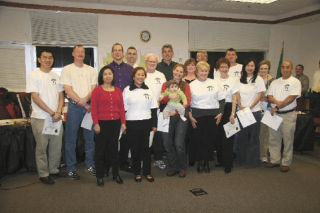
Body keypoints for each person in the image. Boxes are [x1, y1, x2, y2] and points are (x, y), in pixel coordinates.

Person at [26, 50, 64, 184]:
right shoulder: (33, 75)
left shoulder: (56, 76)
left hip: (56, 118)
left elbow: (61, 96)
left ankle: (53, 170)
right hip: (40, 117)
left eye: (50, 58)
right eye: (45, 58)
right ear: (39, 60)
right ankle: (43, 173)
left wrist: (58, 111)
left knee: (56, 145)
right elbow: (35, 97)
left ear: (53, 60)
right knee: (42, 147)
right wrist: (51, 112)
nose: (48, 60)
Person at [60, 45, 97, 179]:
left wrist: (86, 102)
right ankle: (71, 168)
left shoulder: (91, 70)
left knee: (89, 138)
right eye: (78, 52)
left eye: (82, 52)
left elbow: (94, 89)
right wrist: (82, 103)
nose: (80, 54)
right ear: (73, 53)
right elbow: (67, 90)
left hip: (88, 108)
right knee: (71, 139)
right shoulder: (67, 69)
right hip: (74, 108)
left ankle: (90, 164)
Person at [91, 66, 126, 186]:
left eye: (110, 74)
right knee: (100, 151)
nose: (107, 76)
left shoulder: (117, 90)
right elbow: (93, 108)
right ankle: (100, 175)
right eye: (105, 74)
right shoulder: (97, 90)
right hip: (101, 123)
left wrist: (123, 123)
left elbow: (121, 108)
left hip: (115, 123)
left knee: (114, 150)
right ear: (102, 76)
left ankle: (116, 174)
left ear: (113, 76)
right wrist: (95, 123)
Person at [123, 67, 158, 182]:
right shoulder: (127, 90)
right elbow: (123, 109)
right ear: (133, 76)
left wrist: (154, 125)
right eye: (138, 74)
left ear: (145, 77)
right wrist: (123, 124)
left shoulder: (149, 90)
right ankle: (137, 172)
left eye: (143, 75)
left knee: (146, 149)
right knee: (135, 149)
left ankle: (147, 172)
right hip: (132, 123)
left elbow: (153, 109)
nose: (140, 77)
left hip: (146, 123)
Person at [266, 61, 301, 172]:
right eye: (283, 67)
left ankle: (286, 162)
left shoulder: (295, 82)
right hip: (274, 115)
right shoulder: (275, 82)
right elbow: (269, 96)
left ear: (291, 69)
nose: (285, 69)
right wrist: (277, 103)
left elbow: (291, 97)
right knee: (273, 139)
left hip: (288, 115)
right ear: (280, 69)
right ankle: (274, 160)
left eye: (287, 67)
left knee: (288, 139)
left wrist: (278, 106)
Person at [189, 61, 224, 173]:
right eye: (201, 71)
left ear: (208, 72)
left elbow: (222, 100)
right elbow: (187, 102)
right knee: (199, 140)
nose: (204, 73)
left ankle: (207, 162)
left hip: (213, 115)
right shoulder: (191, 85)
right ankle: (200, 161)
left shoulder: (214, 83)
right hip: (197, 115)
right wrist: (190, 116)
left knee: (209, 140)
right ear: (197, 72)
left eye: (206, 71)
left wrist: (221, 113)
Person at [160, 64, 191, 177]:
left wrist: (176, 111)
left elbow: (187, 101)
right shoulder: (165, 84)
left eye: (181, 72)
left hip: (181, 116)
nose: (178, 73)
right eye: (177, 71)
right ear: (173, 71)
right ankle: (174, 166)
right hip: (167, 116)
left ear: (183, 74)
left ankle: (182, 167)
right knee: (167, 143)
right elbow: (162, 99)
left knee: (178, 143)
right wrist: (170, 96)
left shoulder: (185, 85)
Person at [108, 43, 133, 171]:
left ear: (123, 53)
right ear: (112, 53)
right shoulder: (107, 69)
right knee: (112, 137)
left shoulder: (130, 69)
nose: (117, 52)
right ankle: (111, 163)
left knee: (125, 137)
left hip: (127, 109)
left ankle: (123, 162)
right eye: (115, 50)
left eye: (119, 50)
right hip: (111, 109)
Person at [237, 59, 266, 168]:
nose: (250, 67)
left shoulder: (258, 79)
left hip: (254, 112)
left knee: (253, 137)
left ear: (255, 67)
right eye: (248, 65)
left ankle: (252, 161)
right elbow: (237, 93)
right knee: (242, 137)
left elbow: (259, 95)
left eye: (252, 65)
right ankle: (242, 160)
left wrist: (250, 107)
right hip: (242, 112)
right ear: (244, 67)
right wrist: (240, 105)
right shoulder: (239, 79)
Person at [215, 57, 239, 174]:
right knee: (219, 136)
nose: (224, 69)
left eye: (226, 66)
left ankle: (228, 164)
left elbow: (235, 97)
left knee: (228, 137)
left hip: (229, 108)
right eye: (222, 66)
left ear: (229, 68)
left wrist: (233, 113)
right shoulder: (215, 80)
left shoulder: (233, 80)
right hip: (218, 108)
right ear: (218, 68)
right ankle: (220, 160)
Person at [144, 53, 167, 170]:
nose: (152, 64)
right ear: (145, 62)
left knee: (158, 136)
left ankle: (158, 159)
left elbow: (165, 91)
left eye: (154, 62)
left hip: (158, 109)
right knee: (145, 135)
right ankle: (144, 159)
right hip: (144, 110)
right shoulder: (141, 74)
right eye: (150, 61)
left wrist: (160, 99)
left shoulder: (161, 75)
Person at [258, 60, 274, 163]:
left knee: (267, 134)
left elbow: (275, 94)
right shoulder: (255, 79)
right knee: (259, 134)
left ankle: (264, 154)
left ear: (268, 69)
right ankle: (259, 153)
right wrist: (260, 98)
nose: (263, 70)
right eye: (261, 68)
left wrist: (268, 99)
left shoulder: (273, 80)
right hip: (257, 109)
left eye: (265, 68)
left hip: (268, 110)